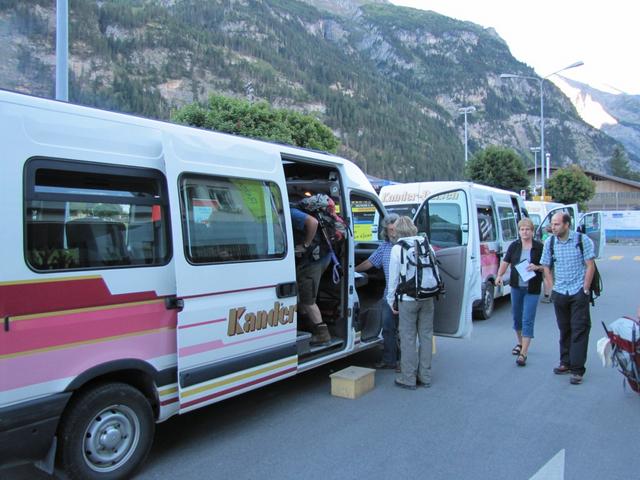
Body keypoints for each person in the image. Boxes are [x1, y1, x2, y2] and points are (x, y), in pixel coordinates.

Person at [541, 212, 596, 385]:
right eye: (552, 224)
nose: (553, 227)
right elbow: (546, 266)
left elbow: (590, 265)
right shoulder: (550, 242)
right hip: (560, 293)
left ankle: (578, 369)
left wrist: (585, 289)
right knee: (564, 329)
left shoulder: (582, 240)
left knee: (579, 329)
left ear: (566, 225)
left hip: (578, 292)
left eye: (557, 224)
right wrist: (551, 288)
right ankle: (565, 362)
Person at [386, 216, 434, 390]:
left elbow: (393, 278)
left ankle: (408, 378)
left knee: (407, 338)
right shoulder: (426, 244)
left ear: (397, 230)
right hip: (427, 297)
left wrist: (391, 301)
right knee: (426, 336)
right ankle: (425, 377)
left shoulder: (398, 248)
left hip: (407, 299)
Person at [495, 218, 544, 367]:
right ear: (519, 231)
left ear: (532, 231)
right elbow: (506, 261)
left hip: (532, 288)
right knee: (517, 317)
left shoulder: (539, 247)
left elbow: (547, 265)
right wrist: (499, 275)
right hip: (517, 286)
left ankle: (524, 353)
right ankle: (520, 342)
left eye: (527, 229)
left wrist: (537, 267)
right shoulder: (514, 246)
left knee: (527, 318)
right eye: (522, 229)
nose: (525, 232)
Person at [355, 213, 400, 369]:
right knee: (388, 328)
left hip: (406, 295)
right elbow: (369, 262)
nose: (392, 233)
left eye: (394, 230)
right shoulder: (384, 247)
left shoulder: (406, 245)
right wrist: (351, 270)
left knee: (405, 330)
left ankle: (406, 362)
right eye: (389, 231)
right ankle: (390, 360)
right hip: (389, 295)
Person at [290, 206, 332, 344]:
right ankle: (306, 328)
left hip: (313, 260)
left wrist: (305, 245)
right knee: (302, 294)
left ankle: (322, 335)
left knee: (307, 300)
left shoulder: (291, 211)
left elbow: (313, 222)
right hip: (318, 258)